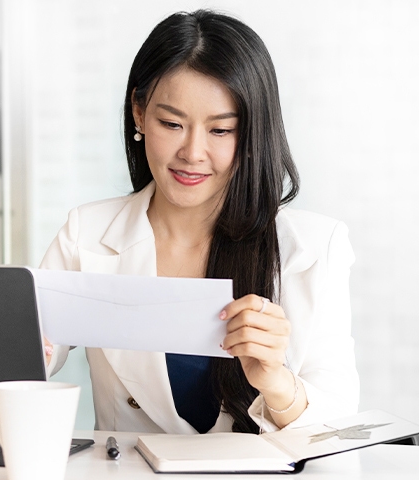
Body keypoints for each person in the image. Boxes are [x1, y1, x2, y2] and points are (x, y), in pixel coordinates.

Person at [40, 10, 359, 434]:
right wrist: (19, 345)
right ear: (139, 113)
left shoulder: (317, 247)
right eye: (171, 124)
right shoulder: (87, 233)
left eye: (221, 130)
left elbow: (338, 428)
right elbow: (25, 360)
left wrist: (276, 383)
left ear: (250, 133)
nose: (192, 152)